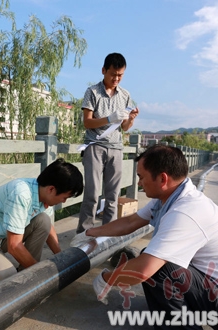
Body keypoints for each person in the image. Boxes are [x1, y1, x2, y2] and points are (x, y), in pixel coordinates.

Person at [73, 145, 218, 329]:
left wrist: (107, 278)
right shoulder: (169, 197)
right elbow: (130, 222)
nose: (140, 183)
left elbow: (143, 270)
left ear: (162, 179)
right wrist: (90, 232)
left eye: (141, 177)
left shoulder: (186, 211)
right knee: (156, 260)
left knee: (161, 270)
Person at [0, 158, 83, 290]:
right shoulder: (21, 194)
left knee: (43, 220)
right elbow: (14, 245)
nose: (63, 201)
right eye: (65, 197)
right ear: (51, 189)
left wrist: (61, 259)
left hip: (1, 237)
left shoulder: (43, 195)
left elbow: (48, 228)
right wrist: (40, 273)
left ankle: (26, 273)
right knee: (10, 280)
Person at [76, 52, 139, 234]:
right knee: (92, 194)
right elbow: (87, 122)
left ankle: (108, 235)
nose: (116, 79)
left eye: (120, 75)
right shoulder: (92, 92)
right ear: (104, 70)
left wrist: (131, 119)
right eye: (113, 74)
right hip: (95, 146)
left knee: (113, 196)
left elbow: (125, 127)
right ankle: (83, 235)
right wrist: (109, 118)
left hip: (116, 148)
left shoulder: (125, 95)